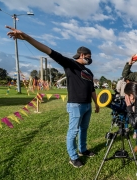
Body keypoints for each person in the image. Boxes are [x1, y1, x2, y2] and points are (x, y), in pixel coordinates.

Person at [6, 26, 100, 168]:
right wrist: (27, 37)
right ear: (81, 55)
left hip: (87, 105)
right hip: (75, 104)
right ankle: (73, 157)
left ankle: (83, 149)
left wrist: (96, 103)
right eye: (88, 56)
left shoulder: (89, 71)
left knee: (84, 129)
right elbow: (48, 51)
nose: (90, 59)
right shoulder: (70, 65)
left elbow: (92, 88)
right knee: (73, 131)